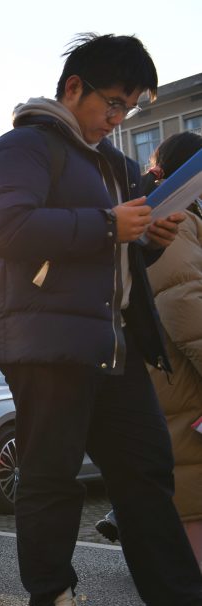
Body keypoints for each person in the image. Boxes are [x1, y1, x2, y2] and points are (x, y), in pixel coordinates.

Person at [0, 34, 202, 606]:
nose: (118, 119)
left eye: (128, 108)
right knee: (52, 474)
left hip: (113, 339)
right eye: (113, 103)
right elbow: (3, 228)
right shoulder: (21, 147)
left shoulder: (116, 164)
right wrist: (108, 225)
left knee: (145, 466)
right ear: (73, 88)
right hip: (46, 339)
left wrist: (150, 236)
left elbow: (119, 254)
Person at [142, 131, 202, 569]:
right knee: (193, 495)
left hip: (181, 384)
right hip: (185, 387)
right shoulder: (173, 222)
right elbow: (184, 305)